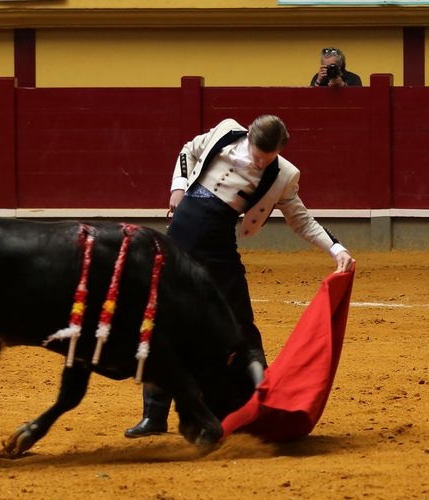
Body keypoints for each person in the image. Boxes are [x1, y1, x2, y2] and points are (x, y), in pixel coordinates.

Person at [124, 115, 356, 438]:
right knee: (162, 320)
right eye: (257, 154)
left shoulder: (284, 175)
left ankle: (256, 404)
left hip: (218, 246)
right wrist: (178, 187)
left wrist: (336, 249)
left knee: (241, 324)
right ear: (248, 137)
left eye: (267, 157)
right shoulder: (224, 132)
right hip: (180, 234)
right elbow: (187, 151)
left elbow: (300, 219)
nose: (260, 162)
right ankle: (154, 413)